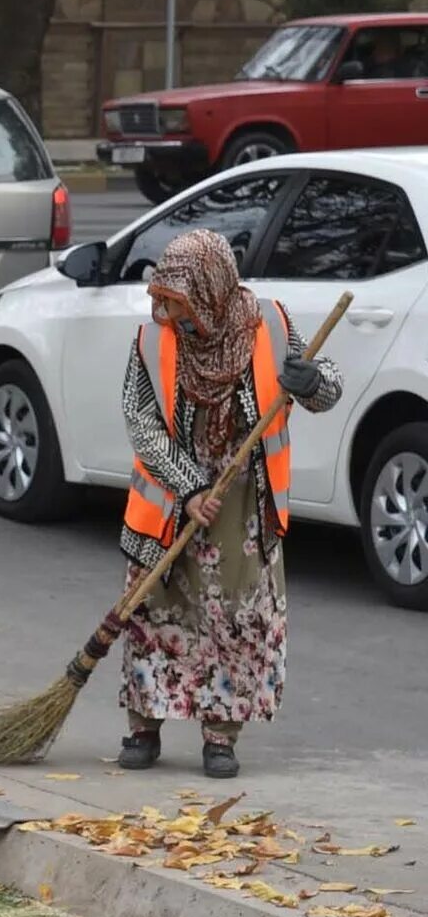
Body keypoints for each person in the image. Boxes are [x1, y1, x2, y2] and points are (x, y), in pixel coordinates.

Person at [118, 230, 340, 781]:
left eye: (177, 301)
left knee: (235, 620)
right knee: (156, 612)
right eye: (162, 299)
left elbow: (326, 386)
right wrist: (188, 488)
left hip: (244, 502)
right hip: (173, 499)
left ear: (211, 291)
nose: (166, 311)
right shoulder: (151, 339)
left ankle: (221, 736)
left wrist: (311, 382)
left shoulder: (271, 324)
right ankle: (144, 726)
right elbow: (140, 421)